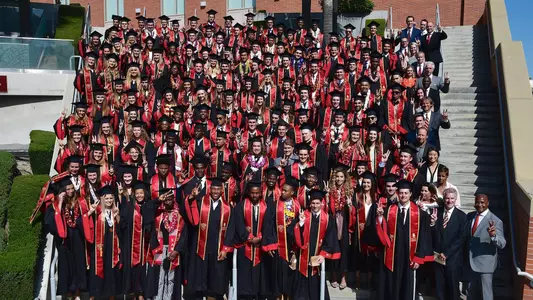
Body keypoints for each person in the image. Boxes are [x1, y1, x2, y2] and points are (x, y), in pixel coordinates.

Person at [374, 180, 433, 300]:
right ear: (397, 193)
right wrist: (380, 217)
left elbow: (423, 237)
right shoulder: (389, 210)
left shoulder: (420, 214)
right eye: (401, 193)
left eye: (406, 193)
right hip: (393, 256)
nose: (403, 196)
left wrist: (418, 257)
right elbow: (382, 233)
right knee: (392, 285)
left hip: (410, 257)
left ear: (411, 194)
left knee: (408, 286)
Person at [183, 178, 235, 300]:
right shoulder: (201, 202)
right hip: (202, 247)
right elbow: (193, 220)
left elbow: (231, 230)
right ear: (210, 189)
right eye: (214, 189)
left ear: (222, 190)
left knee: (215, 283)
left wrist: (225, 249)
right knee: (200, 281)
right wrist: (191, 198)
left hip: (218, 248)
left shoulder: (228, 208)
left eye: (218, 189)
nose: (216, 191)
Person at [292, 190, 341, 300]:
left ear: (322, 203)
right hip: (302, 257)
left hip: (317, 257)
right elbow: (294, 236)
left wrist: (323, 254)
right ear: (310, 203)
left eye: (317, 203)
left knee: (316, 284)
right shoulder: (303, 216)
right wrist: (300, 224)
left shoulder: (328, 219)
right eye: (313, 203)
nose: (315, 206)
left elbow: (330, 238)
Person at [234, 181, 277, 299]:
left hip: (262, 247)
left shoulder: (268, 206)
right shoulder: (241, 206)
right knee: (245, 275)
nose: (254, 195)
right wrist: (249, 237)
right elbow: (238, 225)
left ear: (261, 193)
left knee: (261, 276)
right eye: (252, 193)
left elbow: (270, 225)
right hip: (245, 247)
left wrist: (261, 238)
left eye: (257, 193)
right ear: (248, 193)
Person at [145, 187, 188, 300]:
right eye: (166, 199)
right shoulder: (157, 215)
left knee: (171, 277)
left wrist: (177, 250)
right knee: (159, 277)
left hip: (173, 250)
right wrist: (157, 200)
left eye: (170, 199)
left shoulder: (179, 216)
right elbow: (145, 209)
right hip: (159, 249)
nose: (168, 201)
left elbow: (184, 236)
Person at [467, 194, 506, 300]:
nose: (480, 205)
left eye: (482, 202)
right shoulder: (470, 216)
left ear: (488, 203)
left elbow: (502, 243)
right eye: (477, 202)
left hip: (486, 265)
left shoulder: (495, 221)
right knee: (471, 293)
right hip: (471, 263)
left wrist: (493, 236)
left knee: (486, 295)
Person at [430, 188, 467, 300]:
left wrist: (446, 253)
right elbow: (433, 235)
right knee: (440, 288)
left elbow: (461, 238)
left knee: (453, 289)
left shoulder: (461, 216)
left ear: (455, 200)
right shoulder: (437, 212)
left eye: (452, 198)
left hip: (453, 259)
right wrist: (432, 223)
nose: (449, 201)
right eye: (447, 198)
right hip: (438, 258)